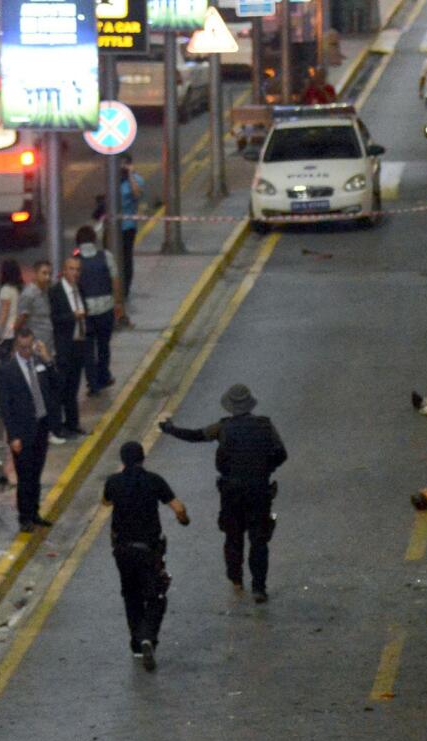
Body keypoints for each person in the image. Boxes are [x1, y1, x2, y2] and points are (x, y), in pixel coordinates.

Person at [159, 384, 287, 603]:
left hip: (231, 492)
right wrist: (265, 469)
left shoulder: (222, 428)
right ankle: (259, 587)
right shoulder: (265, 425)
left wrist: (170, 429)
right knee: (259, 540)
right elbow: (281, 454)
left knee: (233, 536)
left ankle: (236, 578)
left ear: (229, 406)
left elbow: (196, 435)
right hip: (259, 491)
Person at [102, 441, 190, 672]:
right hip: (149, 551)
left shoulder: (113, 482)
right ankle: (148, 636)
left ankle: (137, 645)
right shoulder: (154, 481)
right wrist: (184, 520)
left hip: (122, 550)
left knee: (131, 596)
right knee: (156, 596)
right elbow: (178, 508)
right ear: (143, 458)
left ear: (122, 460)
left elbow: (106, 501)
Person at [0, 328, 58, 534]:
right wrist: (13, 436)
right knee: (25, 476)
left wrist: (48, 360)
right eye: (22, 347)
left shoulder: (39, 363)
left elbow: (55, 385)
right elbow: (5, 407)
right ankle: (24, 517)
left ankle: (34, 512)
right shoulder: (8, 370)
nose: (26, 351)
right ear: (16, 347)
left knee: (37, 473)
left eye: (29, 347)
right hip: (22, 431)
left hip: (41, 426)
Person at [73, 226, 123, 396]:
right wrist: (118, 303)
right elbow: (115, 280)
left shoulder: (75, 261)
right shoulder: (106, 256)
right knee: (103, 345)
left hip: (85, 313)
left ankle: (92, 383)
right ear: (94, 240)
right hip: (105, 309)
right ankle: (104, 376)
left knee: (88, 349)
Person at [49, 257, 88, 439]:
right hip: (64, 346)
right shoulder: (56, 292)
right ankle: (57, 426)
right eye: (71, 269)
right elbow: (55, 318)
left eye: (78, 270)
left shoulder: (79, 289)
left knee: (73, 387)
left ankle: (73, 423)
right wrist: (73, 316)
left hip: (78, 344)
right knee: (61, 388)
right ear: (64, 270)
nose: (75, 273)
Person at [118, 154, 145, 303]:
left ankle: (125, 288)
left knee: (126, 258)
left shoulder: (136, 180)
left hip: (127, 227)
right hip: (113, 227)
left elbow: (137, 194)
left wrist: (130, 175)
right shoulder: (114, 179)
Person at [0, 258, 24, 352]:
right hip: (15, 330)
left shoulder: (5, 290)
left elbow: (4, 314)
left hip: (6, 334)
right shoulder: (17, 290)